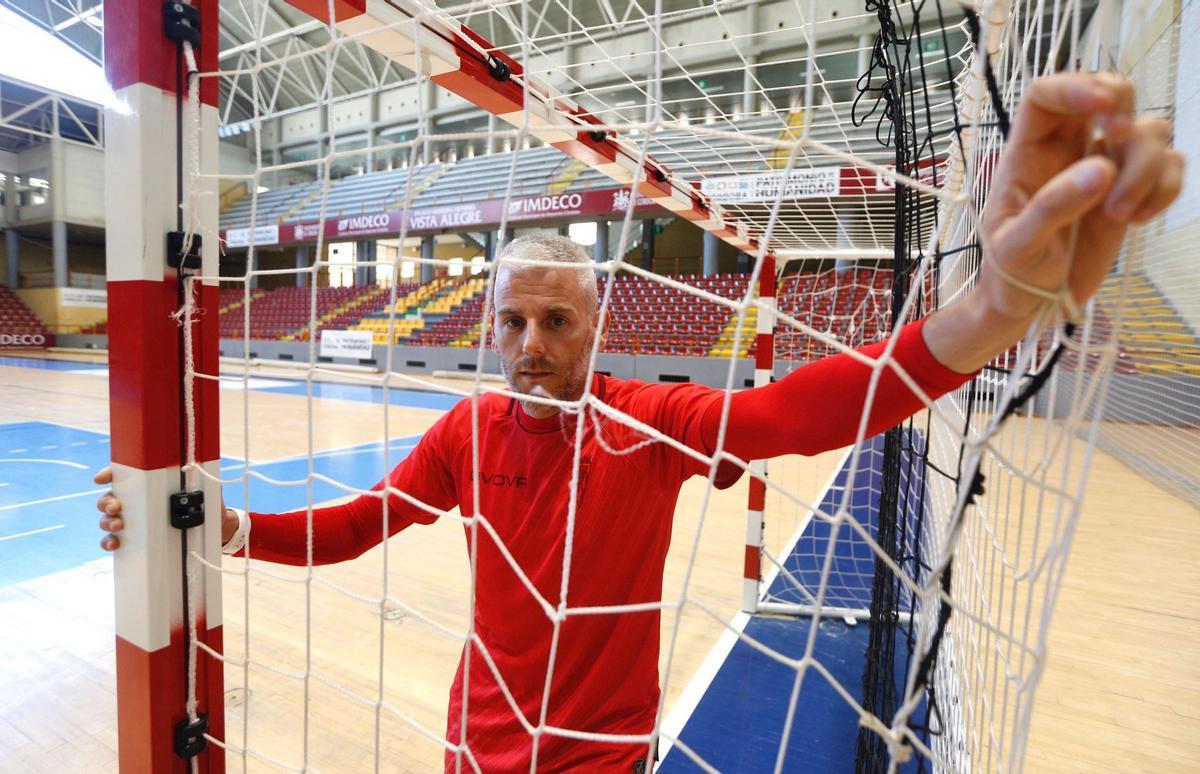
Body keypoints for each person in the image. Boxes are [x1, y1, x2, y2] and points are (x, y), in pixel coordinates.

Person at [94, 73, 1182, 772]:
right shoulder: (466, 434)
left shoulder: (644, 424)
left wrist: (987, 313)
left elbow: (789, 415)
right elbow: (362, 525)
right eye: (511, 321)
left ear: (595, 323)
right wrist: (233, 528)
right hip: (472, 751)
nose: (529, 343)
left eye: (555, 321)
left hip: (601, 758)